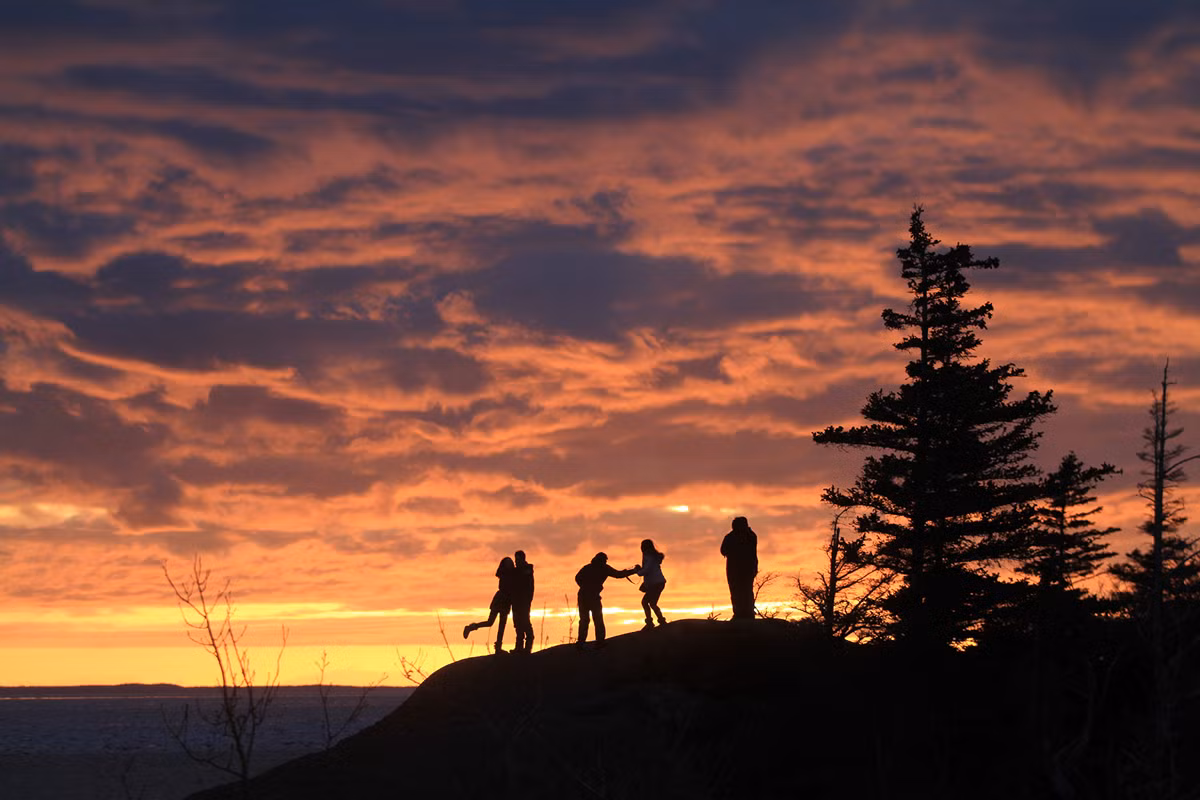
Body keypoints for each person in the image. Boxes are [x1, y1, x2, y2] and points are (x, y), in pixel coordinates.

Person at [574, 552, 635, 647]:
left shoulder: (588, 567)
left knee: (585, 620)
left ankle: (582, 642)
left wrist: (585, 586)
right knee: (596, 619)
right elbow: (618, 574)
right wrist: (634, 571)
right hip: (590, 597)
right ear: (602, 561)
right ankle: (599, 642)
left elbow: (577, 578)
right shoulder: (604, 568)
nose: (605, 562)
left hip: (584, 596)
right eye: (605, 560)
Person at [463, 557, 516, 653]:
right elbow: (506, 587)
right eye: (508, 563)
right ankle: (470, 627)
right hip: (501, 599)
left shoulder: (510, 574)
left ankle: (498, 647)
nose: (510, 564)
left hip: (505, 601)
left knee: (501, 625)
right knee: (490, 622)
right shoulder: (505, 574)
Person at [721, 516, 758, 621]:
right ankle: (742, 613)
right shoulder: (750, 535)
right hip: (742, 569)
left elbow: (724, 550)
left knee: (741, 590)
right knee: (740, 590)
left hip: (741, 569)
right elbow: (723, 550)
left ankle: (745, 613)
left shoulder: (738, 536)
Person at [634, 538, 667, 629]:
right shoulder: (652, 556)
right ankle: (659, 621)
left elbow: (646, 571)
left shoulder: (649, 557)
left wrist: (638, 571)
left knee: (647, 602)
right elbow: (648, 570)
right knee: (651, 603)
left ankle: (653, 623)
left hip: (655, 584)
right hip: (658, 583)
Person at [511, 550, 535, 655]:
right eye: (515, 559)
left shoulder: (527, 571)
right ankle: (519, 648)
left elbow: (529, 588)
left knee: (525, 623)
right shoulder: (517, 571)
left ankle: (527, 649)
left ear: (523, 558)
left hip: (524, 602)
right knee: (517, 625)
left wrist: (527, 599)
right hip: (516, 602)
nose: (516, 561)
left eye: (518, 559)